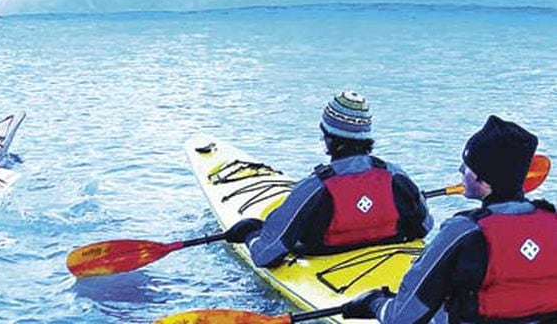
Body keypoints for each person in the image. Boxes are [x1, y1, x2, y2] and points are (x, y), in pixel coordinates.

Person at [342, 115, 557, 323]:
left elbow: (402, 318)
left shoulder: (464, 232)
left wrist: (374, 303)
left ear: (482, 178)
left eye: (467, 165)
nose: (460, 169)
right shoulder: (552, 221)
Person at [225, 91, 433, 267]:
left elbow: (266, 255)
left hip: (328, 264)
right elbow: (424, 226)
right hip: (391, 262)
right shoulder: (396, 176)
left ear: (329, 137)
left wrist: (250, 233)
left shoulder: (314, 188)